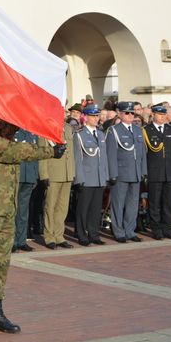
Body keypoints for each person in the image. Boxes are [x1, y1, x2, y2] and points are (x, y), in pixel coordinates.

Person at [0, 107, 64, 335]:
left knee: (0, 261)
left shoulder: (0, 133)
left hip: (6, 210)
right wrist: (50, 151)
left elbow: (14, 126)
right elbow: (12, 151)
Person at [106, 102, 147, 243]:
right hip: (121, 173)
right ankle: (118, 231)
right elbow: (110, 155)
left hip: (135, 173)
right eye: (127, 113)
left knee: (133, 204)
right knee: (118, 203)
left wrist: (143, 171)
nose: (130, 116)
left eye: (132, 113)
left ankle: (130, 230)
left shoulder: (137, 130)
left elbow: (142, 153)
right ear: (120, 114)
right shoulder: (114, 131)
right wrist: (112, 174)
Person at [143, 105, 171, 240]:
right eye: (159, 114)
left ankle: (168, 228)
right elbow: (145, 154)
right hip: (154, 172)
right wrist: (145, 173)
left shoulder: (170, 129)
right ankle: (157, 229)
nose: (162, 116)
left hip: (170, 172)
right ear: (153, 115)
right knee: (154, 203)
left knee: (168, 203)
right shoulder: (146, 130)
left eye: (163, 114)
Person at [73, 104, 109, 246]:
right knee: (83, 209)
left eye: (97, 116)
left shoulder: (100, 134)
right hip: (86, 178)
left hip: (99, 178)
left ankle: (94, 234)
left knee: (95, 209)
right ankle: (81, 234)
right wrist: (79, 178)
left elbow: (104, 158)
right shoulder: (80, 135)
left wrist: (105, 177)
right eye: (93, 116)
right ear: (85, 118)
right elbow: (78, 159)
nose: (96, 119)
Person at [38, 124, 76, 249]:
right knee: (50, 206)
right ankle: (49, 237)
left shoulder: (68, 128)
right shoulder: (46, 127)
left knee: (62, 207)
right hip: (53, 173)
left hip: (67, 173)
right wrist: (43, 174)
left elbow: (71, 152)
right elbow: (42, 152)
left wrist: (72, 172)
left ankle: (59, 236)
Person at [13, 129, 40, 252]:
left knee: (23, 211)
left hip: (28, 175)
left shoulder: (33, 134)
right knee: (12, 210)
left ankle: (21, 240)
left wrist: (35, 176)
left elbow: (36, 156)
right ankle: (11, 241)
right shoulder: (14, 132)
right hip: (15, 176)